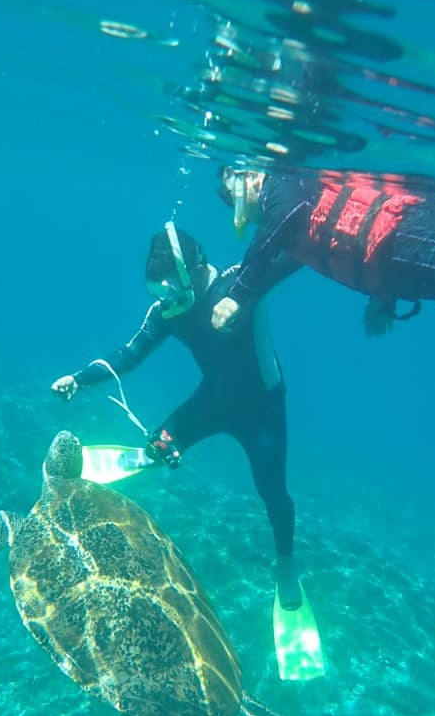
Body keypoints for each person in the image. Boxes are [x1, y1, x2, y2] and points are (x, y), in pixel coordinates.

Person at [51, 222, 301, 609]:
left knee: (272, 493)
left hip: (263, 410)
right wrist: (79, 380)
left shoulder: (241, 283)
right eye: (156, 292)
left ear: (189, 271)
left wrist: (382, 295)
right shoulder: (166, 312)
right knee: (156, 448)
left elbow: (296, 253)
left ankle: (285, 565)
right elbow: (129, 355)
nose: (165, 300)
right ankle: (154, 453)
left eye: (167, 289)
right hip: (213, 400)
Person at [211, 167, 435, 336]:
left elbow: (285, 215)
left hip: (408, 235)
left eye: (230, 198)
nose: (234, 209)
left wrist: (237, 293)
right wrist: (381, 297)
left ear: (249, 180)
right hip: (404, 257)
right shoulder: (292, 221)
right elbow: (344, 239)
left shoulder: (281, 183)